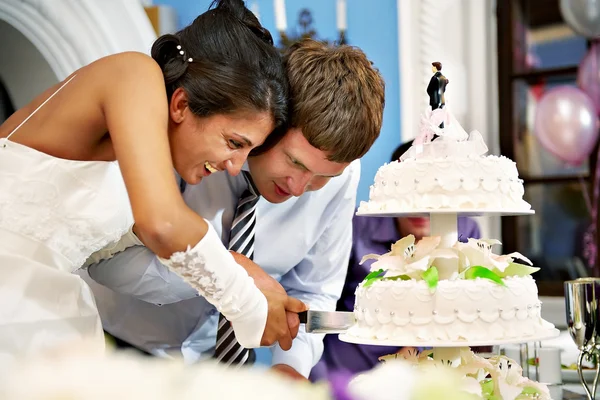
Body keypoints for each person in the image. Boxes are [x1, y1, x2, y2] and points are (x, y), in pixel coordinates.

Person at [0, 0, 304, 364]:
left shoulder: (136, 157)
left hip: (44, 315)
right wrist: (246, 303)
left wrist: (239, 267)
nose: (236, 166)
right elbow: (162, 222)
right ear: (180, 104)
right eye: (234, 143)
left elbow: (121, 244)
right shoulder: (134, 73)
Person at [81, 38, 386, 380]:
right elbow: (106, 263)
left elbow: (315, 289)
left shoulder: (341, 177)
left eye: (322, 177)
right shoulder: (192, 141)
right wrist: (228, 273)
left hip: (218, 373)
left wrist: (290, 367)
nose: (300, 188)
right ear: (273, 121)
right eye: (294, 162)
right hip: (114, 349)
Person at [309, 140, 481, 381]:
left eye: (432, 192)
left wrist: (415, 354)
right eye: (409, 191)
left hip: (431, 376)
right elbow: (318, 298)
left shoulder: (466, 231)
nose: (419, 207)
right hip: (346, 373)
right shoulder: (355, 226)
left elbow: (463, 313)